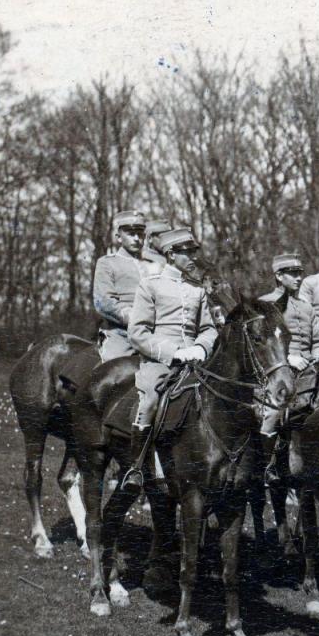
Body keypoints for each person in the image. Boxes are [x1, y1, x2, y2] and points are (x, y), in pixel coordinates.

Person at [121, 228, 218, 491]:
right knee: (151, 398)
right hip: (160, 361)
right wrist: (173, 352)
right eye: (186, 252)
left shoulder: (197, 290)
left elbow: (208, 328)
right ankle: (136, 468)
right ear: (171, 254)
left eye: (193, 252)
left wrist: (201, 346)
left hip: (195, 361)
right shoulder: (150, 285)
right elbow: (137, 332)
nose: (192, 257)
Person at [258, 253, 319, 482]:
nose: (299, 278)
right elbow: (264, 342)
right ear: (279, 276)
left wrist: (318, 353)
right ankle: (265, 466)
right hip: (278, 373)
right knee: (274, 412)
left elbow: (317, 338)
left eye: (300, 273)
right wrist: (289, 358)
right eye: (292, 273)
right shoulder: (266, 304)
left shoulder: (306, 307)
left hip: (309, 373)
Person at [93, 210, 148, 362]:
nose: (137, 239)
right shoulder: (107, 263)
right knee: (111, 375)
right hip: (121, 334)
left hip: (154, 333)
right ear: (118, 237)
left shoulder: (152, 266)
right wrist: (133, 317)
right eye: (131, 234)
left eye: (140, 234)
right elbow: (103, 302)